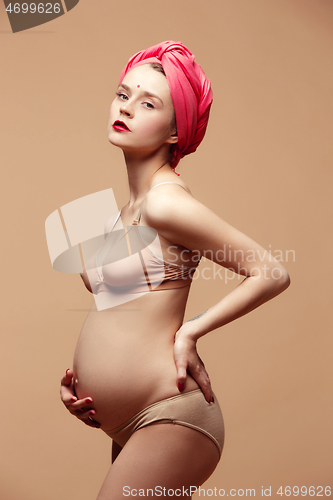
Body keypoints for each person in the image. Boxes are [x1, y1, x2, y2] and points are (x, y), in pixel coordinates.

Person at [59, 41, 290, 499]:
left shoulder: (166, 203)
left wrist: (190, 333)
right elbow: (120, 316)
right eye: (123, 94)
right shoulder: (121, 214)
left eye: (148, 104)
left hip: (171, 416)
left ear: (174, 131)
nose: (126, 108)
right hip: (127, 424)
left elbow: (271, 272)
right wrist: (82, 384)